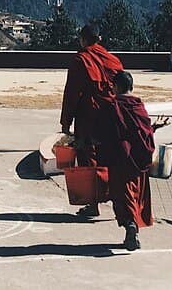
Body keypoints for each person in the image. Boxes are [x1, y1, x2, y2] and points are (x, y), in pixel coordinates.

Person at [59, 24, 124, 218]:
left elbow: (72, 93)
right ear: (99, 38)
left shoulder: (80, 60)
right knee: (111, 160)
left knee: (88, 161)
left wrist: (65, 122)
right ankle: (118, 202)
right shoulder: (112, 60)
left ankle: (93, 204)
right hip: (112, 118)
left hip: (89, 119)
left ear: (83, 39)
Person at [100, 70, 158, 250]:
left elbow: (104, 133)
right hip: (138, 158)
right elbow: (143, 130)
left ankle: (130, 225)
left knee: (122, 194)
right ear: (131, 87)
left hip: (119, 157)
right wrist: (155, 128)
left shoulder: (111, 105)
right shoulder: (138, 106)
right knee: (135, 193)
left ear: (115, 87)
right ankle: (133, 229)